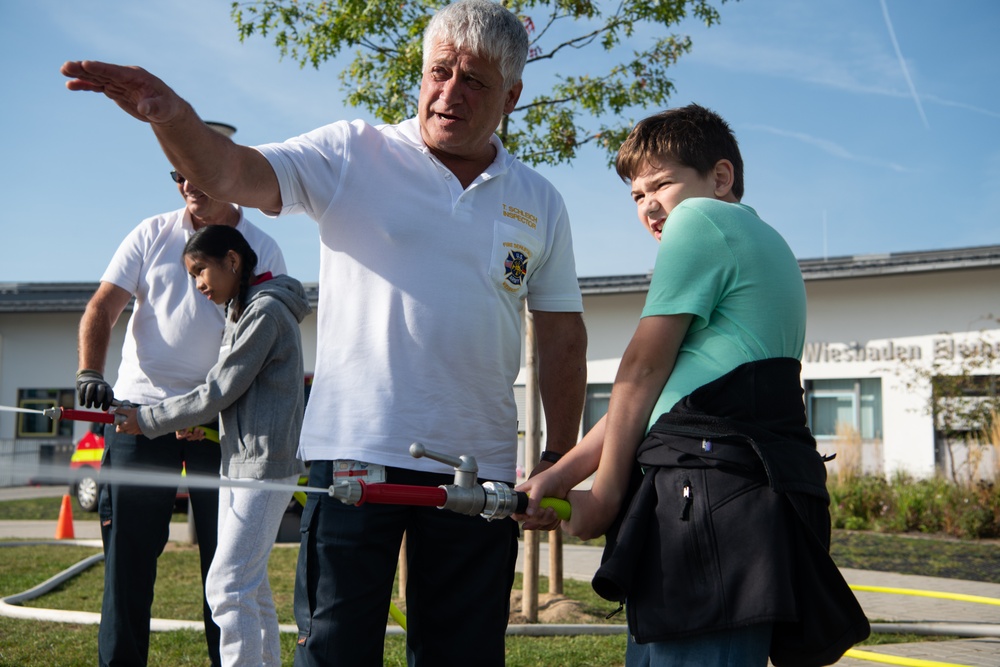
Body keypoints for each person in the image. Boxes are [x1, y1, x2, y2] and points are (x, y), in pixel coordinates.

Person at [62, 1, 588, 665]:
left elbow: (564, 335)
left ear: (512, 94)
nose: (449, 93)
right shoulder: (352, 153)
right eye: (438, 72)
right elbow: (230, 171)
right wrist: (171, 118)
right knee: (333, 653)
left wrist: (561, 456)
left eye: (474, 81)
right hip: (352, 460)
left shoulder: (539, 200)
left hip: (476, 469)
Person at [516, 104, 870, 666]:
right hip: (726, 506)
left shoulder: (703, 220)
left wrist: (604, 498)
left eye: (662, 184)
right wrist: (557, 475)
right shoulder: (756, 242)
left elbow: (640, 370)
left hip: (708, 512)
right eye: (636, 196)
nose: (650, 205)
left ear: (720, 178)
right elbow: (659, 401)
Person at [75, 155, 287, 667]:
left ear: (228, 175)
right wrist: (89, 373)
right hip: (138, 417)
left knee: (228, 567)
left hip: (219, 426)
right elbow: (103, 306)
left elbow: (257, 343)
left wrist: (212, 411)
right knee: (127, 565)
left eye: (197, 170)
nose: (187, 184)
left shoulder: (263, 247)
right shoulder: (150, 233)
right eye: (178, 176)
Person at [116, 224, 310, 667]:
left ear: (233, 261)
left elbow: (221, 388)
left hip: (262, 470)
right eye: (192, 275)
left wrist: (149, 420)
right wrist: (201, 424)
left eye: (201, 270)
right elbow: (234, 396)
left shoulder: (266, 313)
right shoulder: (241, 312)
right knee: (251, 586)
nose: (199, 284)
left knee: (226, 585)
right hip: (239, 465)